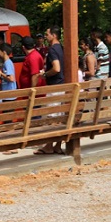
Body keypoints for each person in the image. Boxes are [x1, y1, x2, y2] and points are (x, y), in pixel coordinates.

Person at [35, 26, 65, 155]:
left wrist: (45, 74)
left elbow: (56, 68)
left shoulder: (52, 50)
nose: (45, 36)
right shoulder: (61, 48)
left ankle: (48, 146)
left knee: (51, 116)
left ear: (54, 35)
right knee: (59, 116)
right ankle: (57, 145)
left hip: (54, 85)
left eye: (47, 34)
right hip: (62, 85)